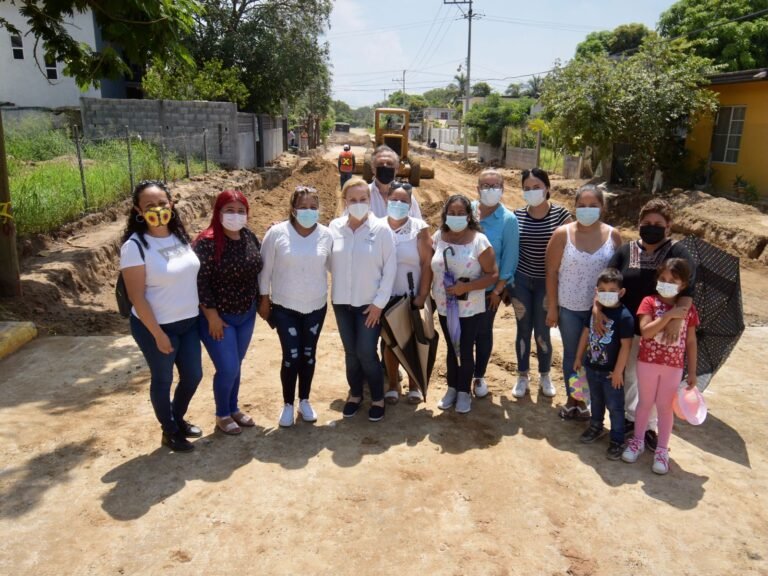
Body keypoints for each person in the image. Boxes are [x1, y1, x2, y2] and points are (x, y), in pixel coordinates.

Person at [599, 198, 696, 450]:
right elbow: (607, 281)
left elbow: (688, 291)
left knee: (653, 383)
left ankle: (650, 427)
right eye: (646, 223)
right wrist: (597, 308)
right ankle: (631, 421)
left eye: (658, 223)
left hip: (658, 332)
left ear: (668, 226)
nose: (651, 227)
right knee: (629, 375)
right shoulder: (624, 251)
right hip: (626, 328)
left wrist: (676, 318)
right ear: (639, 223)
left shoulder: (678, 253)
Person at [119, 180, 202, 452]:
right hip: (156, 326)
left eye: (162, 204)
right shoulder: (135, 246)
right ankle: (169, 430)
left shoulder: (179, 235)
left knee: (193, 376)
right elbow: (137, 297)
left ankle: (176, 419)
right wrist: (157, 334)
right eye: (149, 206)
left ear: (172, 204)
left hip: (188, 323)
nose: (158, 210)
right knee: (163, 379)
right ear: (138, 211)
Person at [259, 186, 333, 427]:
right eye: (303, 207)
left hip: (315, 306)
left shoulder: (326, 235)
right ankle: (288, 404)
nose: (308, 211)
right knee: (291, 356)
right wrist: (263, 299)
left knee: (309, 355)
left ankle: (305, 400)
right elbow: (265, 270)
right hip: (285, 307)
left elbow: (336, 268)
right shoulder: (277, 233)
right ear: (292, 209)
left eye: (313, 207)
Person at [546, 184, 621, 418]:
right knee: (572, 354)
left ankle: (590, 403)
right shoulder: (562, 234)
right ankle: (573, 399)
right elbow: (551, 272)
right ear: (574, 207)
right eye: (582, 206)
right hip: (570, 307)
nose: (587, 210)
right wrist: (552, 308)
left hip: (602, 310)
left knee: (596, 356)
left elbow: (617, 274)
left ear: (602, 207)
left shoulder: (613, 235)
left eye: (593, 206)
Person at [621, 258, 699, 475]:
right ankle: (637, 441)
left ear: (682, 285)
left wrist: (692, 371)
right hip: (647, 362)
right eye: (663, 279)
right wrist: (669, 316)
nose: (666, 283)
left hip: (673, 367)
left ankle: (662, 451)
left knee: (664, 407)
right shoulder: (648, 302)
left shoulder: (688, 310)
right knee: (644, 403)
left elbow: (691, 342)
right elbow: (646, 331)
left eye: (673, 280)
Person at [194, 190, 261, 436]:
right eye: (229, 211)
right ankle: (222, 414)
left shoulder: (248, 236)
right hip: (219, 318)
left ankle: (233, 407)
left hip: (246, 314)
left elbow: (259, 262)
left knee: (236, 364)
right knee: (228, 368)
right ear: (218, 213)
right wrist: (211, 316)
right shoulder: (207, 242)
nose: (236, 215)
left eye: (240, 211)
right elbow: (200, 282)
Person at [330, 177, 397, 422]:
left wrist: (379, 304)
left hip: (370, 305)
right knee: (350, 353)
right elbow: (326, 259)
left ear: (370, 200)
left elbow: (390, 268)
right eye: (353, 200)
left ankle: (377, 397)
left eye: (363, 199)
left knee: (366, 352)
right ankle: (355, 394)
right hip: (341, 303)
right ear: (345, 201)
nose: (358, 203)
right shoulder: (335, 227)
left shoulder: (381, 229)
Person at [432, 195, 499, 414]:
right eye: (452, 212)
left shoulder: (479, 241)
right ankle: (451, 388)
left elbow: (492, 275)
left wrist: (465, 288)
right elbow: (429, 267)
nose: (457, 216)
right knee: (452, 349)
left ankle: (463, 393)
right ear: (445, 214)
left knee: (465, 349)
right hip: (444, 306)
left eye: (462, 213)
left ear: (469, 216)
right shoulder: (438, 237)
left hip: (469, 308)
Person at [511, 168, 571, 398]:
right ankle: (522, 375)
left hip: (548, 283)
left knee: (543, 330)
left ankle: (545, 375)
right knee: (523, 328)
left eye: (537, 187)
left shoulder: (561, 215)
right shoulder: (516, 216)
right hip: (522, 281)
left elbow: (570, 248)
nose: (532, 191)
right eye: (527, 188)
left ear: (547, 188)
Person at [573, 268, 634, 460]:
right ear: (596, 291)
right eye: (602, 290)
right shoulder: (594, 313)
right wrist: (578, 357)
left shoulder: (624, 317)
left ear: (621, 292)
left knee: (615, 407)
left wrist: (618, 372)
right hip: (592, 367)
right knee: (596, 401)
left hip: (611, 374)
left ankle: (617, 440)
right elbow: (585, 333)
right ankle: (596, 426)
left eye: (611, 290)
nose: (606, 294)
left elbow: (626, 347)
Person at [382, 181, 433, 405]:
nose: (398, 204)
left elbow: (426, 263)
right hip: (384, 296)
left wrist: (422, 296)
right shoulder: (377, 226)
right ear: (386, 200)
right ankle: (393, 383)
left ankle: (414, 383)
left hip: (410, 295)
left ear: (411, 203)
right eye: (394, 200)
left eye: (404, 201)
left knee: (412, 340)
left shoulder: (419, 228)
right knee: (389, 343)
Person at [470, 169, 519, 398]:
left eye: (495, 186)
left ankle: (478, 376)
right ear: (477, 188)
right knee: (461, 333)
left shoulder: (508, 220)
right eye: (485, 185)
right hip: (462, 287)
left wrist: (499, 290)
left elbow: (509, 258)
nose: (490, 190)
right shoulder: (466, 210)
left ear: (502, 189)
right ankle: (462, 373)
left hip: (489, 290)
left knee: (482, 332)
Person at [369, 145, 422, 219]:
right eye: (380, 164)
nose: (385, 167)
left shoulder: (408, 197)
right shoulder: (362, 195)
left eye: (389, 164)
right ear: (372, 168)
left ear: (397, 169)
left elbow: (418, 226)